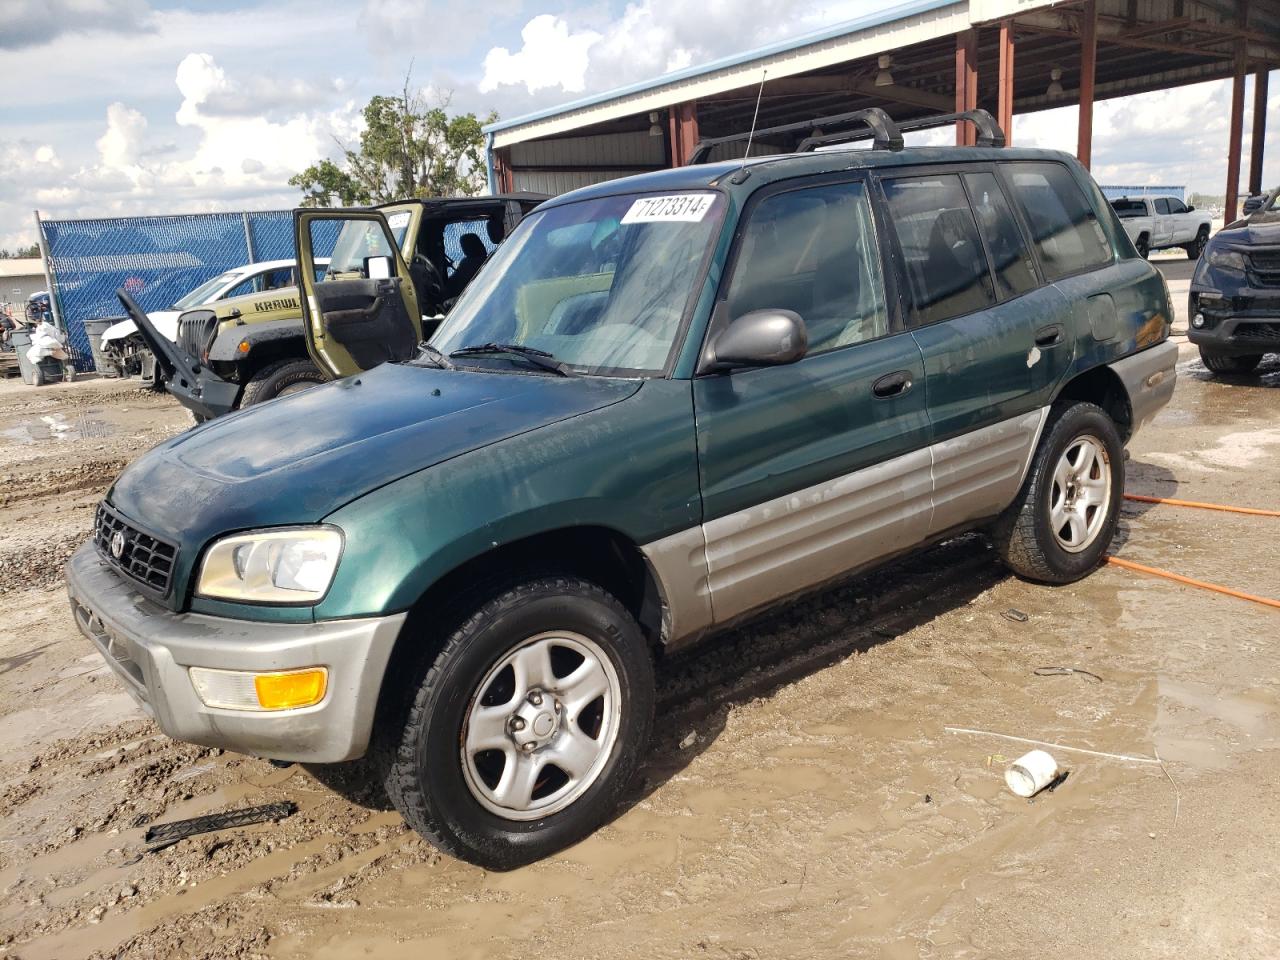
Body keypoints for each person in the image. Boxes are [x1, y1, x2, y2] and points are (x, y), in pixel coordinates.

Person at [444, 233, 488, 300]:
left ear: (465, 251)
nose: (483, 245)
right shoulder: (494, 257)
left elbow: (451, 285)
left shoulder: (466, 265)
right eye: (480, 243)